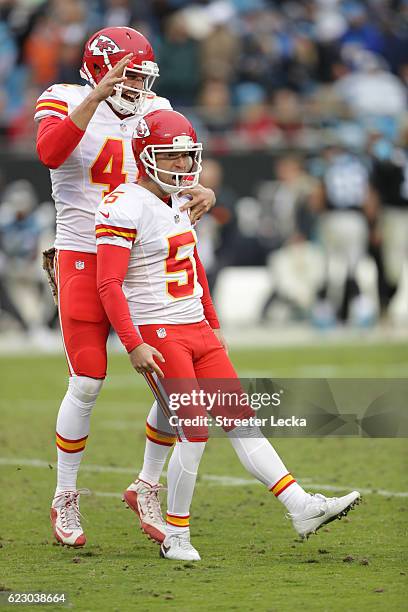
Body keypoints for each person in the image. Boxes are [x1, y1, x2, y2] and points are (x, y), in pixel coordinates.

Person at [95, 108, 361, 561]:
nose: (182, 166)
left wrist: (213, 324)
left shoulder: (180, 200)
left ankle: (300, 506)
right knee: (195, 431)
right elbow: (108, 284)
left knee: (242, 421)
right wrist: (133, 341)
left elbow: (194, 267)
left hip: (196, 327)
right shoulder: (124, 204)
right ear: (145, 156)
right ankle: (176, 535)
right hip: (160, 333)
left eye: (186, 156)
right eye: (172, 157)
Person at [34, 26, 216, 548]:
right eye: (127, 74)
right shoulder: (64, 98)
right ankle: (65, 495)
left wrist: (196, 184)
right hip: (85, 255)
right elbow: (50, 151)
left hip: (145, 259)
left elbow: (174, 159)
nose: (135, 85)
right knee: (88, 380)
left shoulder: (153, 104)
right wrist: (97, 95)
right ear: (97, 69)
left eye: (141, 76)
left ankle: (148, 484)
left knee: (170, 375)